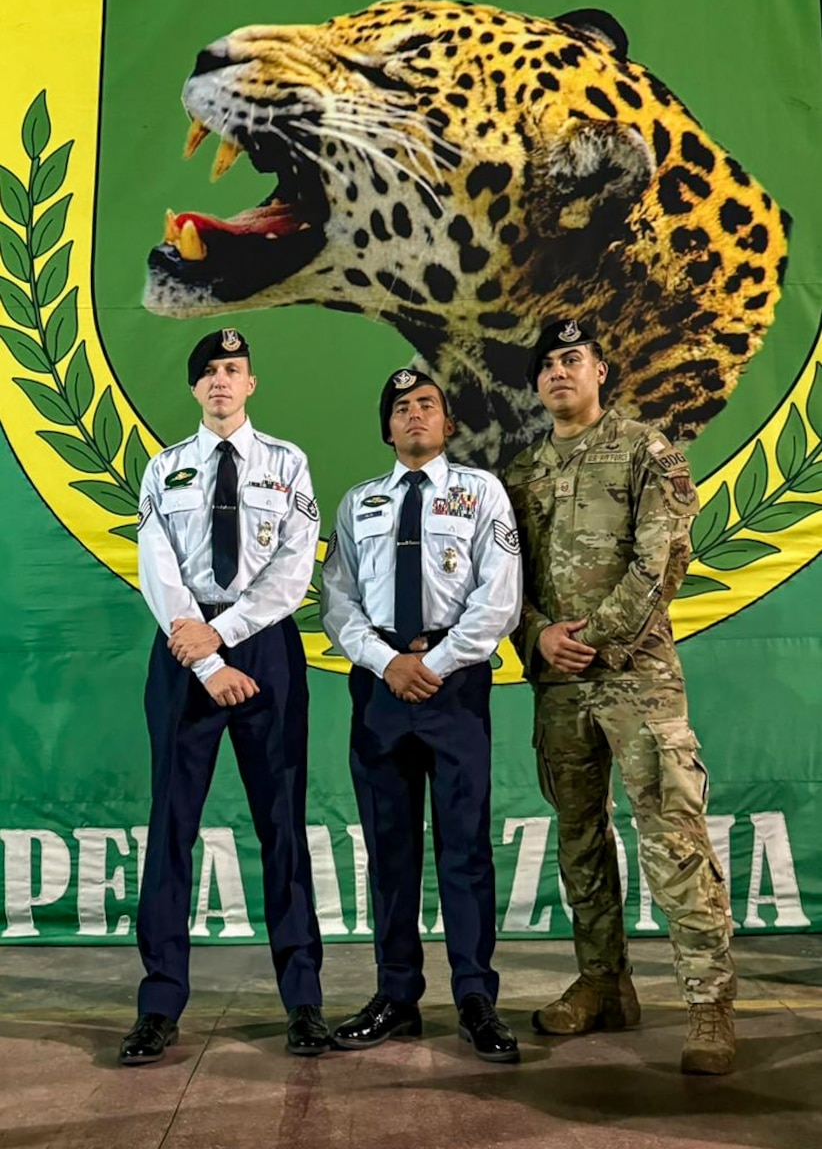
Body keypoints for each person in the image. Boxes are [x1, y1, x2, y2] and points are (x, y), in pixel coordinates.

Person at [503, 318, 737, 1075]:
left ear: (601, 370)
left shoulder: (645, 449)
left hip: (635, 679)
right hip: (559, 685)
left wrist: (593, 636)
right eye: (547, 365)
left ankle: (708, 1005)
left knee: (673, 836)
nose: (559, 373)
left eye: (573, 360)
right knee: (579, 840)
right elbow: (509, 583)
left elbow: (661, 560)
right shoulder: (522, 473)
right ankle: (604, 983)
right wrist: (540, 636)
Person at [120, 328, 329, 1065]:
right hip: (183, 646)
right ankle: (159, 1003)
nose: (220, 381)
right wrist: (202, 654)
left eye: (233, 369)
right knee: (171, 826)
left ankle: (303, 1000)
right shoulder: (165, 468)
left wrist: (227, 637)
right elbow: (158, 569)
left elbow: (292, 569)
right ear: (194, 387)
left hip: (264, 643)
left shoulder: (287, 463)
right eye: (208, 371)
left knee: (283, 823)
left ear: (251, 384)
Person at [321, 368, 523, 1063]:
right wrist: (387, 664)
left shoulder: (481, 494)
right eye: (401, 408)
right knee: (391, 850)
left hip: (454, 684)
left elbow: (499, 600)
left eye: (426, 406)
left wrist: (432, 664)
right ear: (387, 427)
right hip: (380, 689)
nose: (414, 416)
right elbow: (337, 602)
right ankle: (397, 996)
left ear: (448, 424)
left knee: (464, 849)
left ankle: (475, 997)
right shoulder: (360, 503)